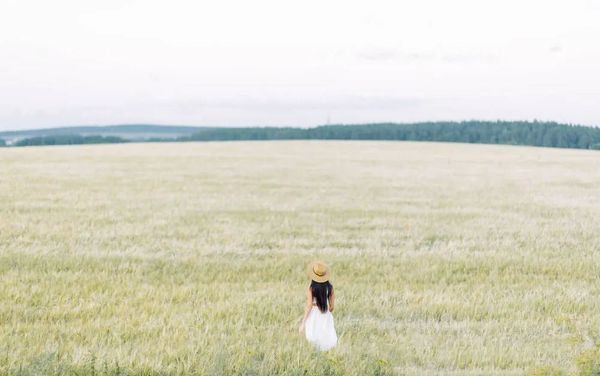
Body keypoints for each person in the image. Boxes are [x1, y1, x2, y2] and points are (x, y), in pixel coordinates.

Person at [298, 260, 337, 351]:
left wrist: (303, 322)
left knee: (313, 336)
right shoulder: (330, 287)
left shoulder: (312, 288)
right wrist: (326, 307)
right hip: (325, 313)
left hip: (314, 314)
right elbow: (332, 307)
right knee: (326, 336)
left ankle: (315, 354)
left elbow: (309, 306)